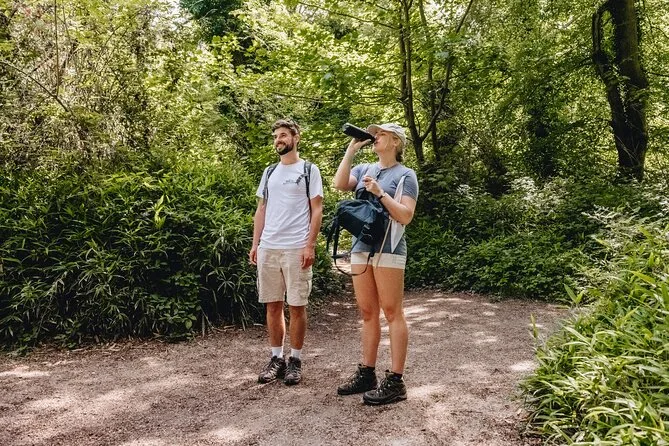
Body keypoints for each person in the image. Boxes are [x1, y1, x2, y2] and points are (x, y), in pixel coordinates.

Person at [332, 123, 419, 405]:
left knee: (392, 312)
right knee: (368, 312)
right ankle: (367, 373)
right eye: (375, 133)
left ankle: (395, 381)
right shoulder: (364, 169)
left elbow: (405, 215)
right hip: (361, 247)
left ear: (395, 142)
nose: (375, 137)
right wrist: (351, 150)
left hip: (389, 248)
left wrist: (381, 193)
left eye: (381, 134)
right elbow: (339, 183)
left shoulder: (406, 175)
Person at [249, 119, 324, 385]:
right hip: (269, 246)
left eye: (283, 135)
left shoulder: (309, 170)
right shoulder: (269, 172)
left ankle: (296, 360)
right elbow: (261, 209)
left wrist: (310, 245)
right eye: (275, 136)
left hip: (296, 247)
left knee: (297, 306)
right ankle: (276, 358)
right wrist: (256, 244)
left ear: (296, 137)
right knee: (272, 305)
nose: (278, 140)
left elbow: (317, 209)